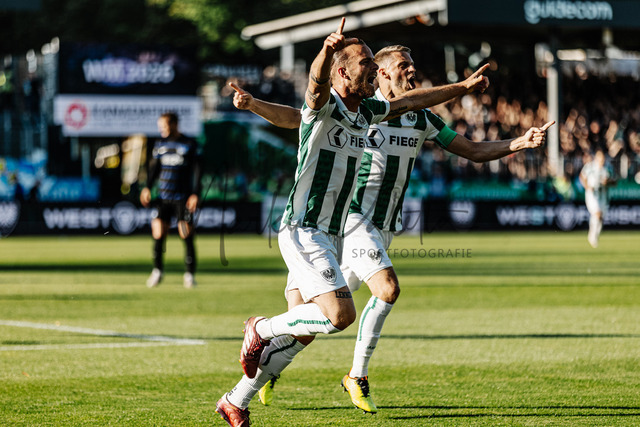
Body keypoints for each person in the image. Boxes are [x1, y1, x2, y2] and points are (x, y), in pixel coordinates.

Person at [225, 44, 554, 417]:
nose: (411, 70)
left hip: (370, 229)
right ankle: (354, 374)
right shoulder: (352, 107)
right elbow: (303, 112)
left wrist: (518, 141)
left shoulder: (414, 118)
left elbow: (472, 150)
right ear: (380, 73)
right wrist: (258, 103)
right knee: (381, 291)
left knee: (304, 328)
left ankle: (240, 395)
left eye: (412, 64)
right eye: (403, 65)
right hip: (349, 221)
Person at [140, 112, 202, 288]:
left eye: (165, 126)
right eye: (160, 126)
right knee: (158, 233)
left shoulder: (189, 144)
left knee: (186, 234)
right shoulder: (160, 144)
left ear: (174, 124)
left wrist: (195, 193)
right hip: (163, 197)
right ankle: (157, 271)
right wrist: (147, 187)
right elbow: (154, 169)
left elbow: (198, 170)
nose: (162, 129)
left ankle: (189, 275)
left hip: (183, 198)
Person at [579, 149, 615, 248]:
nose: (602, 160)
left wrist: (608, 182)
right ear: (596, 158)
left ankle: (595, 235)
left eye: (603, 159)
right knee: (597, 214)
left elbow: (614, 182)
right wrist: (587, 186)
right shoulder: (589, 167)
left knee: (600, 218)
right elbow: (582, 177)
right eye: (600, 158)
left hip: (604, 196)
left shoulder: (608, 168)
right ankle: (592, 236)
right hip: (592, 195)